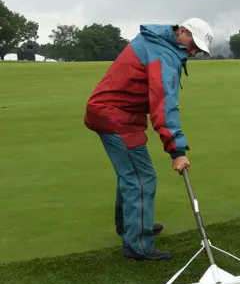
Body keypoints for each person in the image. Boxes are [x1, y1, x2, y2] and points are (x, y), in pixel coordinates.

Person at [84, 18, 214, 261]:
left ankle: (131, 227)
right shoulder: (163, 55)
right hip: (116, 116)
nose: (194, 52)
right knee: (141, 177)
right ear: (182, 31)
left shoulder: (156, 41)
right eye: (193, 44)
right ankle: (138, 245)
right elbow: (163, 105)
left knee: (131, 173)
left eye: (198, 50)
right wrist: (177, 150)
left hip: (115, 113)